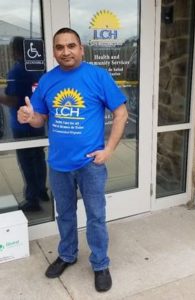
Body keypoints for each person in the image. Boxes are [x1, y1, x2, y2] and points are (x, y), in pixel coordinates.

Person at [17, 27, 128, 292]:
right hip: (58, 164)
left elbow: (121, 113)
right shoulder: (47, 81)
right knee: (64, 214)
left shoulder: (98, 76)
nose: (65, 51)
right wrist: (28, 117)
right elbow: (40, 118)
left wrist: (109, 150)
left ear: (81, 49)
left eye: (71, 46)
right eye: (59, 47)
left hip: (91, 164)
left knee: (96, 217)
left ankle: (100, 263)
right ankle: (67, 254)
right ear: (54, 51)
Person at [0, 36, 49, 212]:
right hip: (38, 122)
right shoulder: (39, 69)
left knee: (27, 161)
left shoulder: (17, 71)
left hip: (23, 125)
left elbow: (14, 101)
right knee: (38, 157)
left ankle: (32, 199)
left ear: (16, 51)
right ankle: (42, 191)